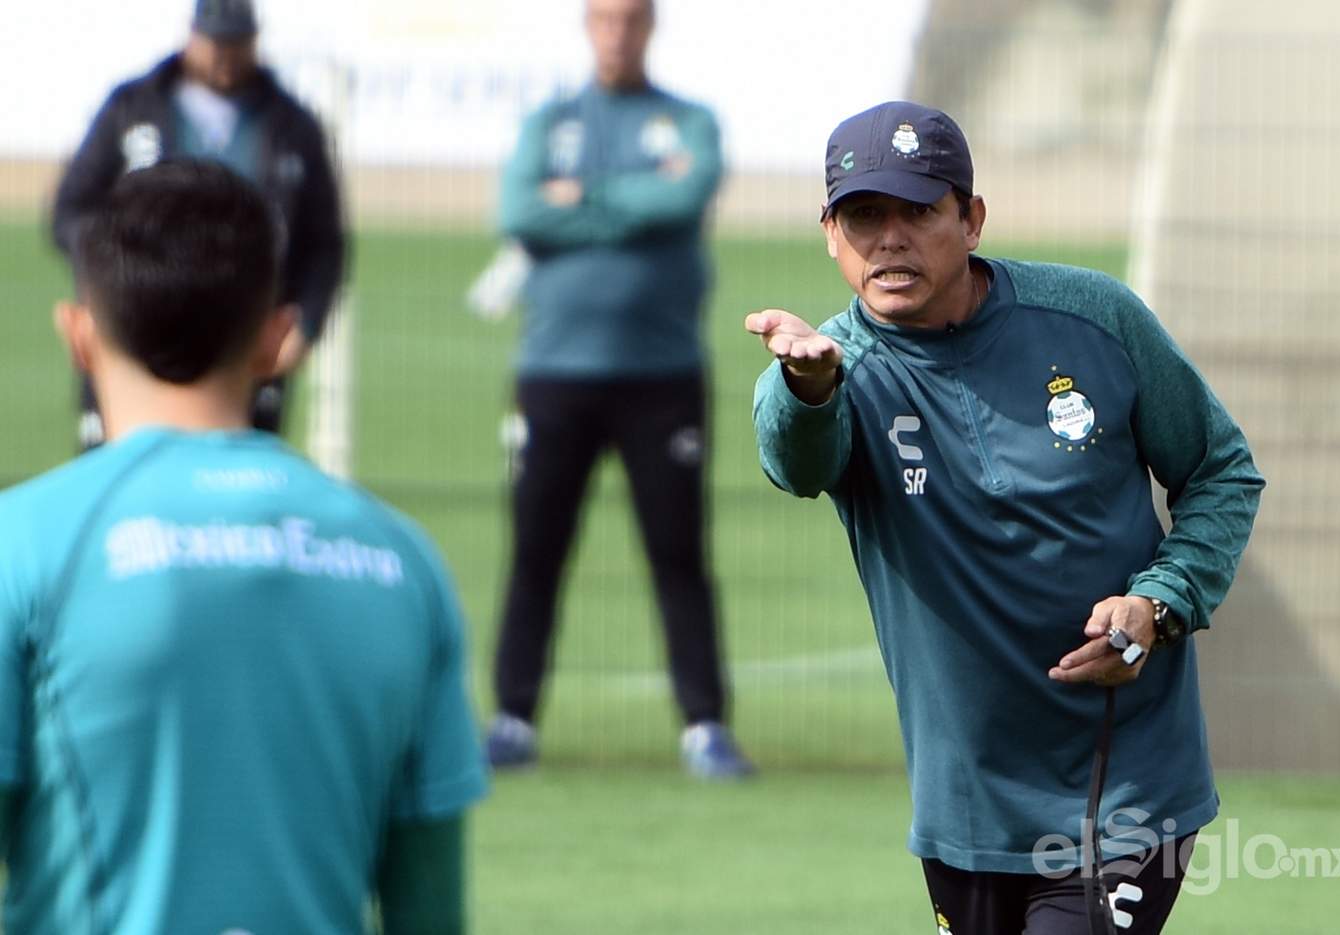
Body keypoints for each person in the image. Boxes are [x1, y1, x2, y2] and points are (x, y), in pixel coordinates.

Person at [747, 102, 1264, 933]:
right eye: (865, 216)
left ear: (972, 219)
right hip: (965, 805)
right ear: (830, 234)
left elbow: (1221, 469)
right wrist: (806, 387)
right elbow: (797, 461)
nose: (890, 240)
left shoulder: (1095, 318)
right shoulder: (839, 370)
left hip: (1122, 784)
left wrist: (1161, 601)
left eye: (919, 211)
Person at [0, 161, 485, 933]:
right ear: (279, 339)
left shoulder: (24, 543)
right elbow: (429, 909)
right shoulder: (403, 562)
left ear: (79, 337)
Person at [485, 0, 753, 779]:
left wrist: (580, 198)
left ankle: (704, 725)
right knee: (536, 550)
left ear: (649, 27)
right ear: (587, 25)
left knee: (678, 553)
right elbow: (518, 209)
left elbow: (686, 195)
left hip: (662, 376)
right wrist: (632, 199)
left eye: (630, 19)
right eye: (604, 19)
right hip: (554, 372)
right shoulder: (551, 122)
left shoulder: (688, 120)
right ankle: (512, 718)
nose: (617, 34)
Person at [51, 0, 346, 448]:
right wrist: (120, 270)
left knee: (234, 462)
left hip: (241, 326)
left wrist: (306, 323)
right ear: (192, 35)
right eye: (215, 42)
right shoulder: (134, 107)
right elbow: (72, 208)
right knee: (128, 459)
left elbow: (323, 240)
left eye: (236, 42)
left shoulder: (291, 124)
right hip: (139, 317)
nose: (224, 55)